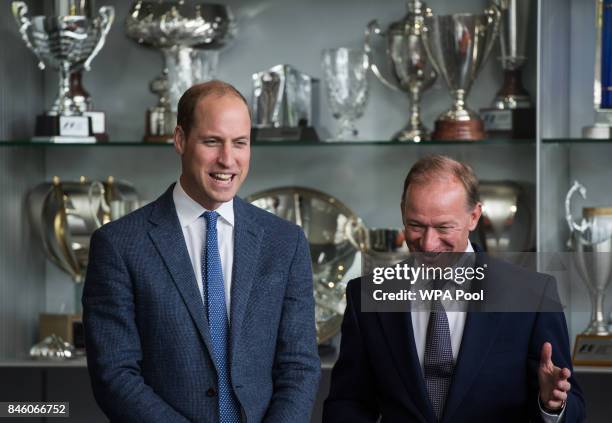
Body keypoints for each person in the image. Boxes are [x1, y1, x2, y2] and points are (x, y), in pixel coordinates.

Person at [83, 80, 320, 423]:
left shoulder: (285, 242)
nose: (228, 159)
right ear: (180, 140)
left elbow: (299, 366)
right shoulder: (119, 245)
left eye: (240, 143)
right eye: (212, 141)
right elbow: (115, 375)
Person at [323, 155, 586, 422]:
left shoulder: (532, 295)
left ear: (474, 217)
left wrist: (551, 405)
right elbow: (348, 402)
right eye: (415, 225)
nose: (428, 243)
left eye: (443, 227)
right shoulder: (365, 295)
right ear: (403, 210)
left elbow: (573, 408)